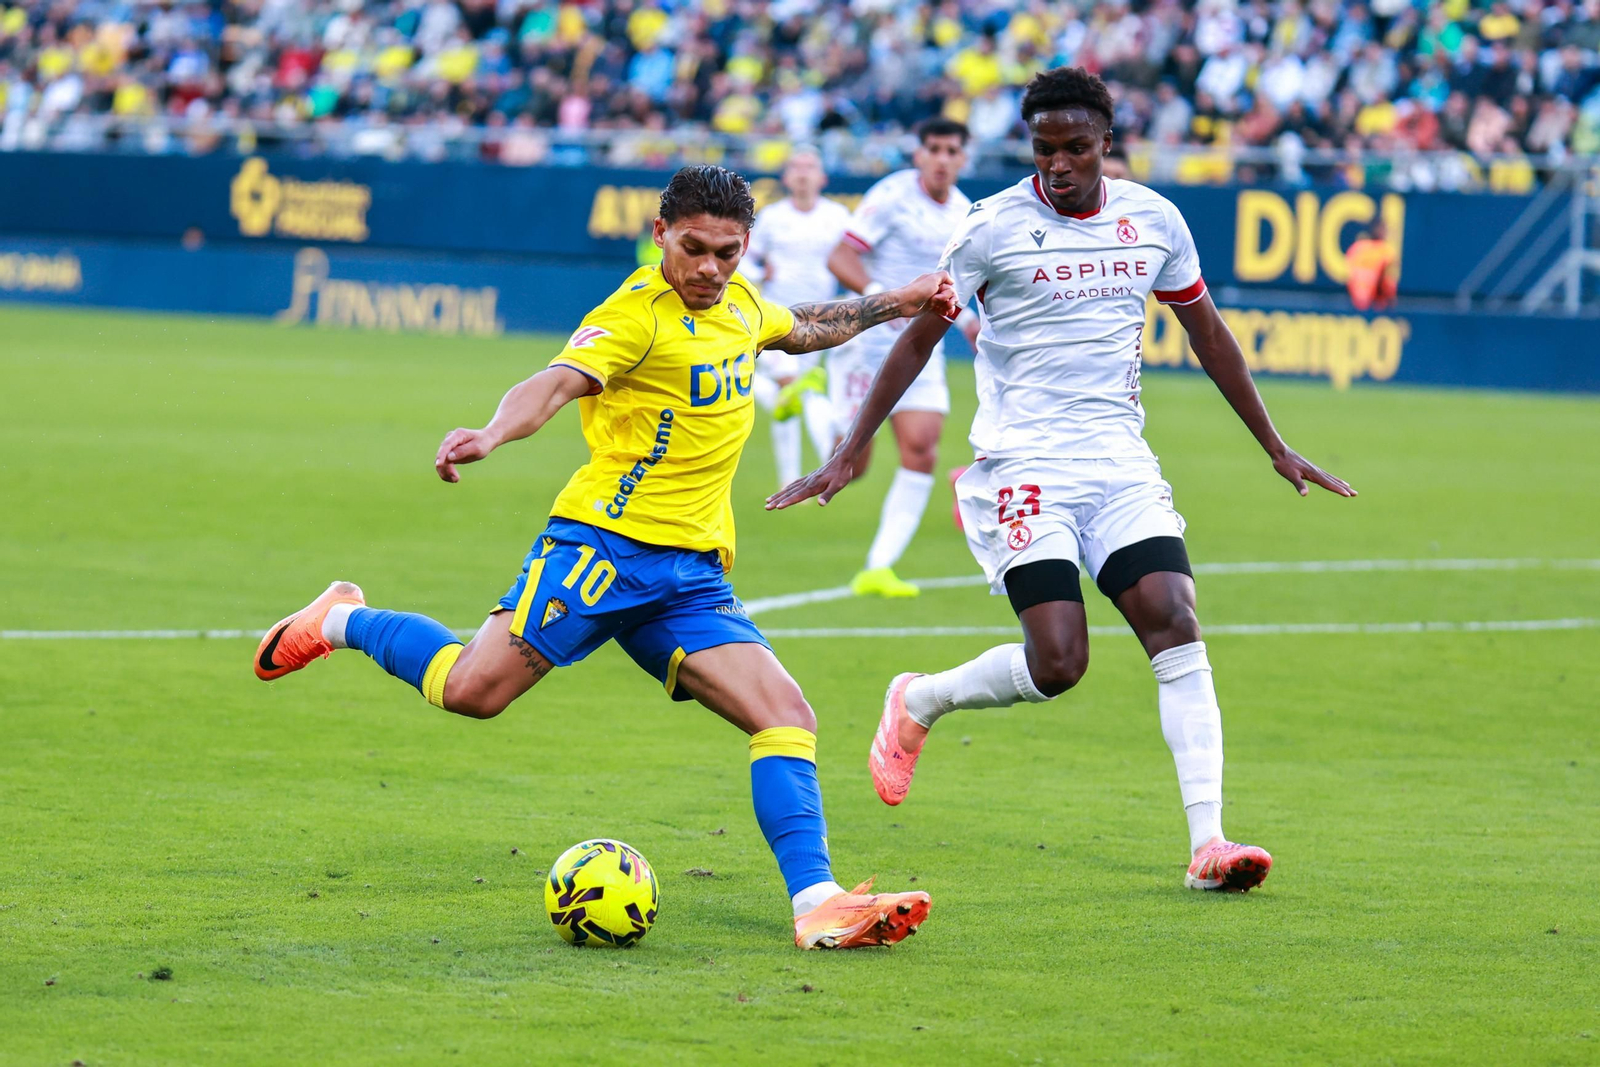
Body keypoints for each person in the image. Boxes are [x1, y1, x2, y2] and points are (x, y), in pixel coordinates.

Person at [254, 165, 956, 949]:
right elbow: (554, 383)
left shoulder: (742, 304)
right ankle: (343, 616)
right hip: (600, 551)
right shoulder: (634, 316)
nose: (708, 269)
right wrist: (491, 432)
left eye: (726, 252)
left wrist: (902, 299)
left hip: (690, 576)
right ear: (661, 234)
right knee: (471, 690)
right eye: (693, 248)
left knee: (787, 716)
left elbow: (810, 323)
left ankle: (817, 901)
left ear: (745, 248)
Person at [770, 69, 1357, 893]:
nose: (1059, 164)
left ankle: (1209, 843)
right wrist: (846, 448)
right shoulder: (989, 229)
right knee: (1059, 663)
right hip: (1024, 464)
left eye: (1076, 148)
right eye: (1044, 149)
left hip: (1119, 464)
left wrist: (1275, 444)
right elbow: (915, 343)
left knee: (1175, 619)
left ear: (1106, 144)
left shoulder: (1154, 220)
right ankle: (921, 700)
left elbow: (1208, 332)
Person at [826, 117, 981, 599]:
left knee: (922, 447)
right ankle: (812, 404)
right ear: (918, 154)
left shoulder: (964, 212)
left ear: (963, 158)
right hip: (867, 344)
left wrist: (971, 322)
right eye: (932, 148)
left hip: (920, 345)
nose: (940, 158)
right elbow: (840, 256)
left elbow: (952, 285)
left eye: (950, 150)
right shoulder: (891, 196)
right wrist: (883, 299)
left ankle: (879, 567)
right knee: (853, 464)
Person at [744, 146, 850, 490]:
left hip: (820, 319)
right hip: (777, 315)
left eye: (810, 167)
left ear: (822, 176)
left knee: (795, 393)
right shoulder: (772, 217)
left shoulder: (838, 217)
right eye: (797, 167)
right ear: (786, 176)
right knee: (790, 386)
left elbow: (857, 259)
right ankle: (794, 474)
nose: (803, 174)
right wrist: (760, 272)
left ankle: (815, 463)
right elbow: (745, 260)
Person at [1344, 221, 1398, 311]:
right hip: (1367, 303)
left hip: (1367, 304)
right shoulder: (1385, 251)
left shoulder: (1358, 248)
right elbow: (1387, 283)